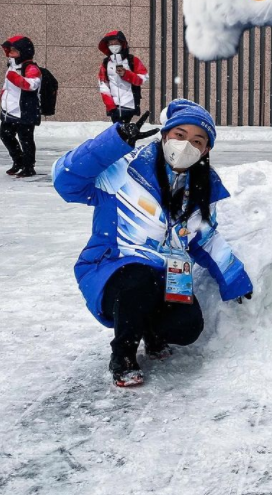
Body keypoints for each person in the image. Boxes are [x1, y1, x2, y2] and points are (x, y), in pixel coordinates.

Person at [52, 99, 254, 387]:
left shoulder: (201, 189)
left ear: (206, 150)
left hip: (169, 275)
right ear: (165, 135)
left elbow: (206, 240)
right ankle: (123, 354)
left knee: (188, 327)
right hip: (113, 268)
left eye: (198, 141)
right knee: (138, 279)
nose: (186, 146)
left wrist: (235, 279)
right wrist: (113, 143)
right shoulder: (124, 169)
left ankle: (150, 331)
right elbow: (66, 181)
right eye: (180, 136)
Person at [1, 36, 42, 178]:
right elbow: (7, 88)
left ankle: (29, 166)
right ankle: (18, 161)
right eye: (10, 51)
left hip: (25, 110)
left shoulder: (30, 68)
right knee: (5, 134)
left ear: (23, 52)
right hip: (10, 110)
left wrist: (14, 77)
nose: (11, 54)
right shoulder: (12, 67)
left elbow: (31, 85)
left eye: (14, 51)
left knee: (26, 138)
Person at [98, 30, 149, 124]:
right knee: (118, 130)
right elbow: (103, 85)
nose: (113, 46)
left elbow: (142, 79)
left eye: (116, 43)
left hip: (129, 103)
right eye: (110, 44)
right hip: (114, 105)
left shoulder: (132, 60)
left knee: (123, 131)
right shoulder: (106, 63)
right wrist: (110, 105)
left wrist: (126, 74)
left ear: (122, 44)